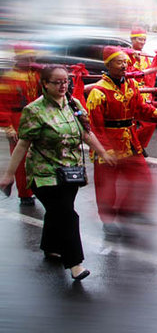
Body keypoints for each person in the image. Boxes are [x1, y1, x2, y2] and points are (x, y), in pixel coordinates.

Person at [0, 65, 115, 281]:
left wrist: (102, 153)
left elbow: (86, 134)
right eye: (57, 82)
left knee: (59, 212)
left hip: (69, 172)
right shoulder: (34, 111)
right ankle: (75, 263)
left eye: (66, 81)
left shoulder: (74, 104)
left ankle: (50, 246)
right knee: (67, 215)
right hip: (43, 173)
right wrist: (8, 175)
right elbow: (23, 145)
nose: (63, 86)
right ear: (45, 84)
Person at [86, 46, 157, 237]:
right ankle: (108, 220)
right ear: (108, 64)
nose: (125, 65)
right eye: (120, 62)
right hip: (108, 144)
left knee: (144, 178)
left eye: (125, 62)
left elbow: (140, 107)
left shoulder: (130, 85)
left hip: (130, 142)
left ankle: (130, 211)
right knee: (106, 186)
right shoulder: (98, 92)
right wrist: (105, 151)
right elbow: (94, 127)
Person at [0, 43, 41, 205]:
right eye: (26, 57)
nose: (29, 59)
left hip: (36, 117)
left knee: (38, 156)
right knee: (21, 159)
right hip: (18, 119)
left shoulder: (35, 74)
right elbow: (3, 105)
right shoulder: (9, 78)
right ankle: (24, 193)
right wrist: (8, 127)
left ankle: (35, 188)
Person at [127, 26, 157, 149]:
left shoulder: (145, 56)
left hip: (144, 93)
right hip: (130, 92)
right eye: (139, 39)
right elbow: (133, 74)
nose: (143, 42)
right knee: (129, 122)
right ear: (132, 40)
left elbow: (148, 76)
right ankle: (133, 145)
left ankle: (137, 145)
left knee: (150, 122)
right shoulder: (126, 55)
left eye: (144, 39)